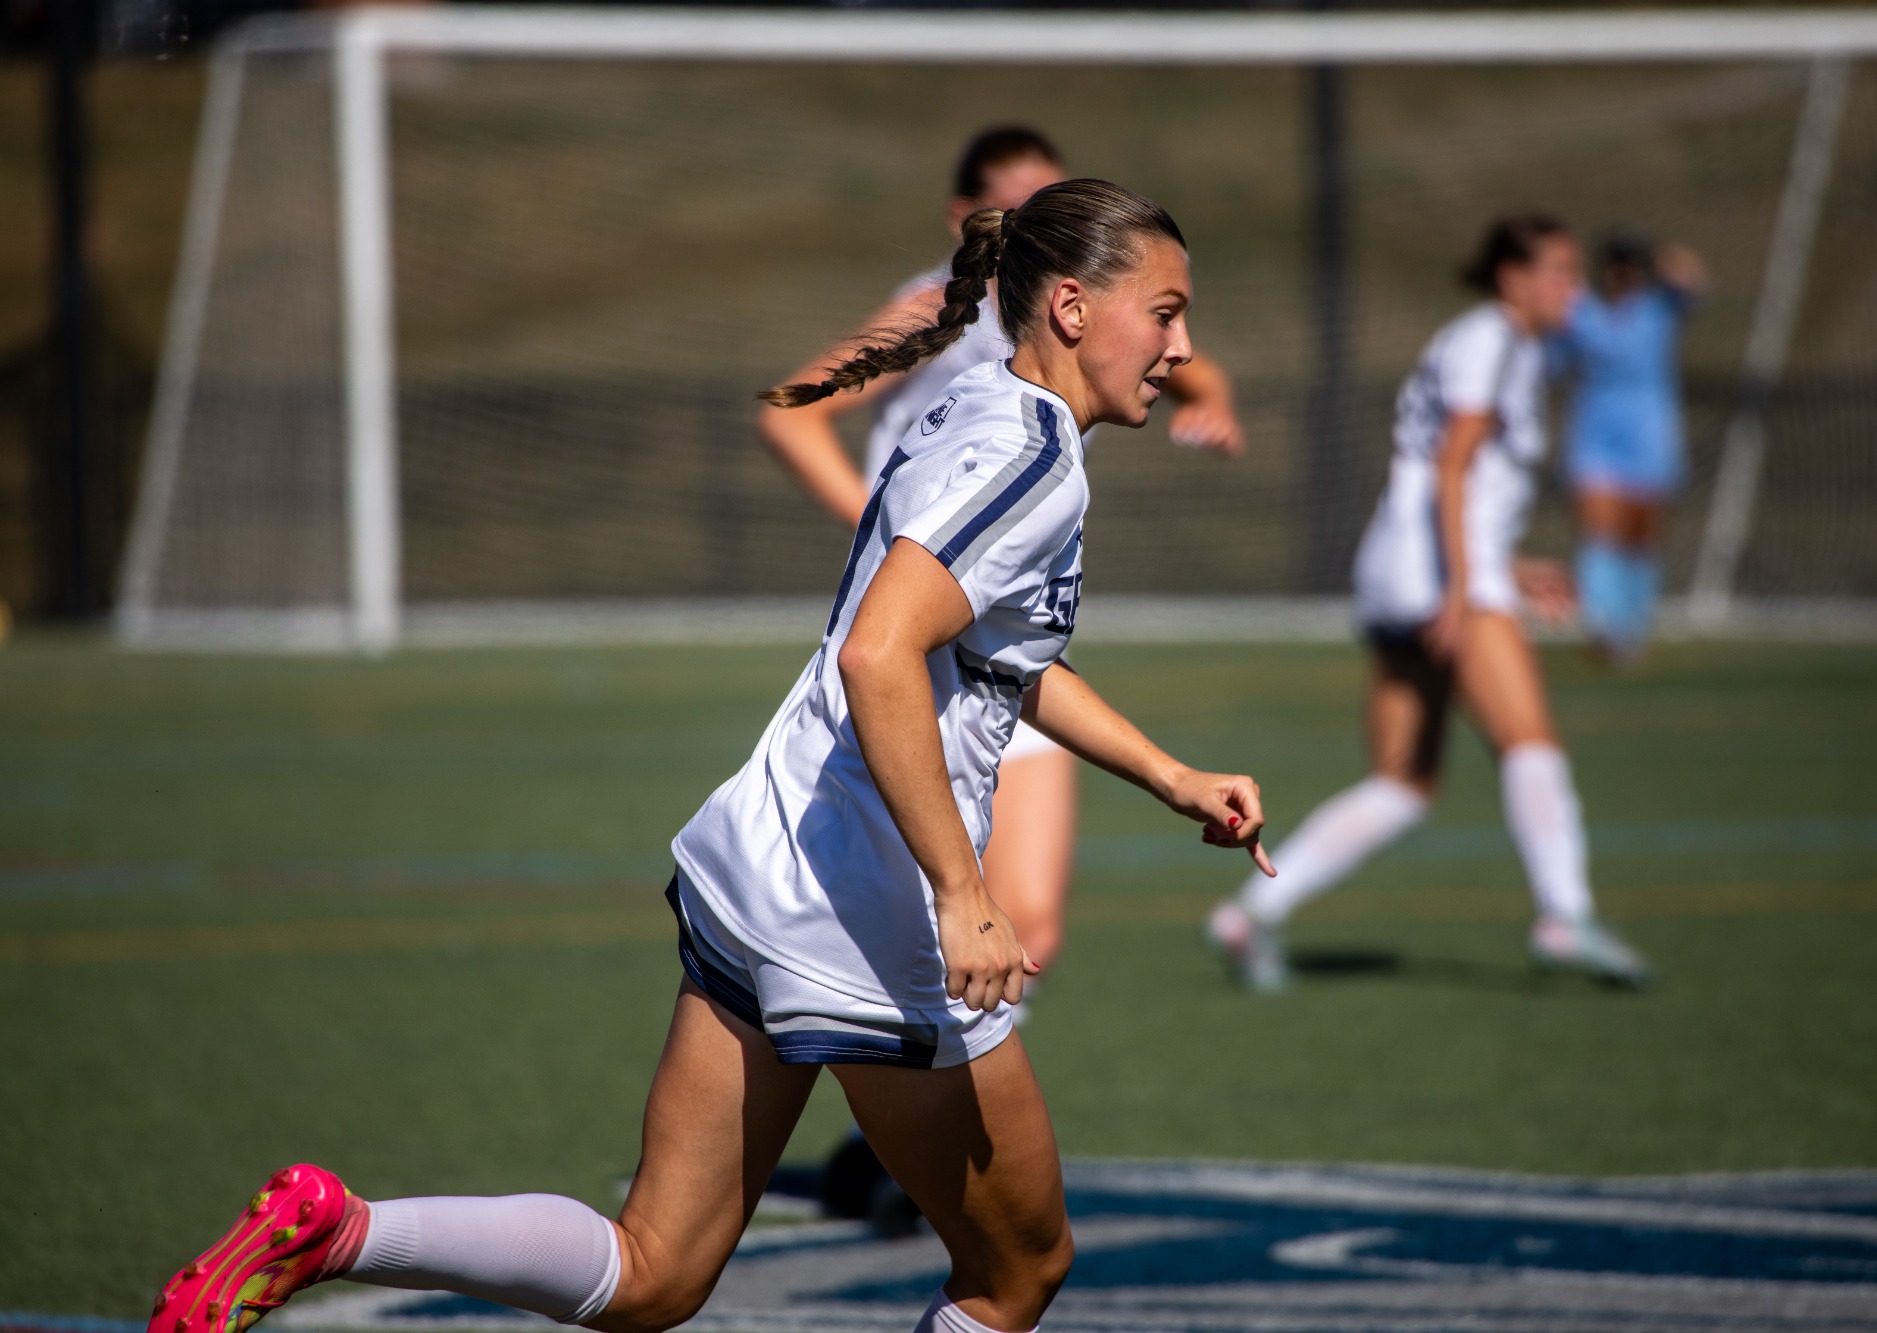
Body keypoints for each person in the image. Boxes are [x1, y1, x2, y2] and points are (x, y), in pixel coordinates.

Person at [148, 179, 1275, 1333]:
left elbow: (993, 657)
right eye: (1168, 312)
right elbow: (880, 656)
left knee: (656, 1270)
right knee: (1016, 1272)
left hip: (769, 851)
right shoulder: (1035, 461)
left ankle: (341, 1227)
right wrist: (962, 892)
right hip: (866, 912)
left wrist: (1169, 774)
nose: (1182, 348)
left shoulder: (977, 404)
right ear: (1076, 309)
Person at [759, 126, 1246, 990]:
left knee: (1027, 934)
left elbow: (1188, 366)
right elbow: (792, 414)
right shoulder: (998, 403)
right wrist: (896, 546)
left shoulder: (1024, 401)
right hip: (918, 673)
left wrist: (1216, 407)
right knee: (976, 943)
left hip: (977, 654)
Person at [1206, 213, 1652, 993]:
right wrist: (1461, 588)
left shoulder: (1499, 343)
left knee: (1405, 782)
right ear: (1513, 277)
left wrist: (1505, 567)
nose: (1571, 290)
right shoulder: (1495, 340)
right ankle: (1564, 912)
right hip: (1440, 575)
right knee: (1530, 741)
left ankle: (1249, 915)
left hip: (1406, 568)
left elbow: (1451, 481)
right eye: (1559, 272)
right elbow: (1452, 468)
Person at [1555, 232, 1708, 661]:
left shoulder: (1659, 310)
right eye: (1615, 264)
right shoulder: (1583, 314)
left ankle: (1630, 627)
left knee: (1638, 539)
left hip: (1650, 436)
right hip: (1594, 435)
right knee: (1599, 532)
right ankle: (1602, 625)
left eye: (1629, 265)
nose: (1622, 272)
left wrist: (1656, 250)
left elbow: (1693, 281)